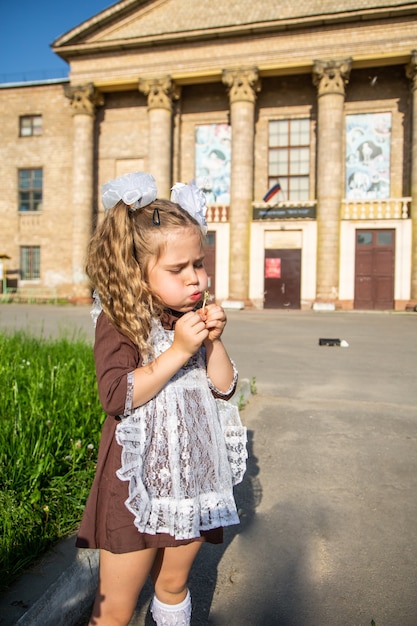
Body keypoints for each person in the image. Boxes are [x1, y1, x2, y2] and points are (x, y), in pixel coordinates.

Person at [76, 172, 247, 626]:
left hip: (193, 480)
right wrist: (178, 352)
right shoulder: (120, 319)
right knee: (115, 607)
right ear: (137, 271)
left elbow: (224, 388)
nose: (195, 278)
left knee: (173, 585)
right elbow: (115, 395)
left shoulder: (192, 315)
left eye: (199, 263)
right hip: (136, 484)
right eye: (178, 269)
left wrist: (214, 342)